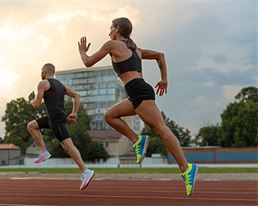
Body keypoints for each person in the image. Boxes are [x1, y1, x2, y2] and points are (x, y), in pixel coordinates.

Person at [78, 17, 198, 196]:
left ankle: (186, 168)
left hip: (138, 91)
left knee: (161, 129)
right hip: (136, 92)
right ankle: (137, 140)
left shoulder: (112, 44)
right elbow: (160, 55)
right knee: (109, 116)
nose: (109, 32)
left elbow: (87, 62)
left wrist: (81, 51)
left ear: (117, 29)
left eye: (110, 28)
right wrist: (164, 78)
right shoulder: (137, 50)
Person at [27, 63, 95, 190]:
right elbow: (77, 95)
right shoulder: (61, 85)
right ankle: (44, 151)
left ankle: (86, 171)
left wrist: (31, 99)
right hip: (54, 117)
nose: (41, 73)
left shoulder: (43, 83)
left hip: (56, 118)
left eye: (42, 71)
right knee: (31, 126)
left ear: (45, 71)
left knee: (68, 146)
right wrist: (74, 113)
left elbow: (36, 104)